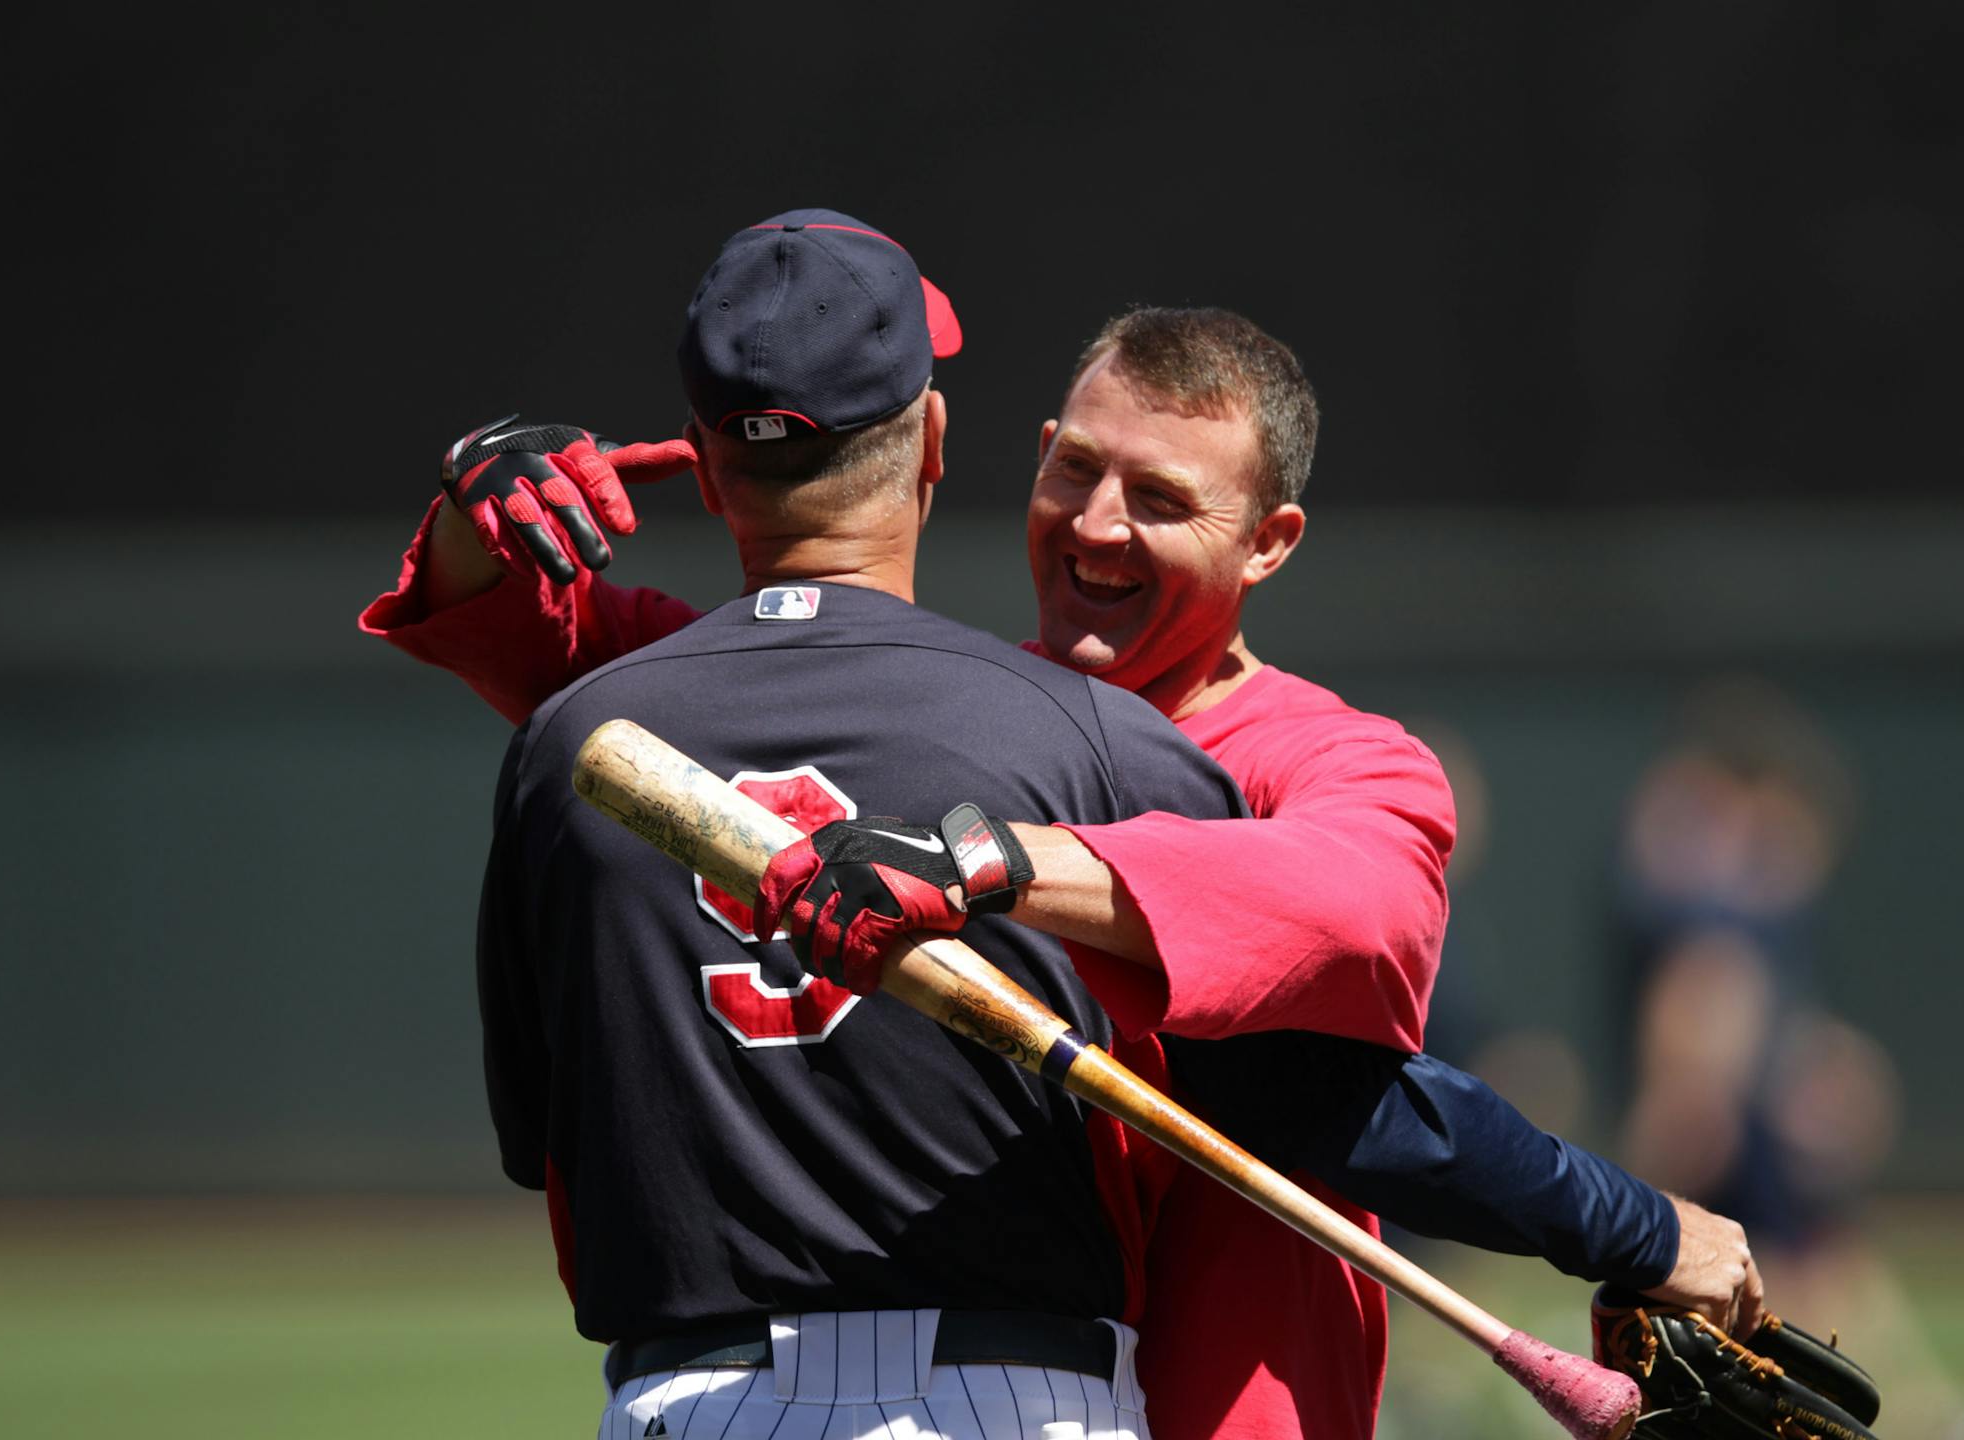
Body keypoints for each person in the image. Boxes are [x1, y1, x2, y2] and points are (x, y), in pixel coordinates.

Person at [367, 295, 1762, 1438]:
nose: (1097, 523)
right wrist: (500, 492)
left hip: (1225, 1411)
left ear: (1269, 544)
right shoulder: (956, 721)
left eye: (1161, 498)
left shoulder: (1337, 759)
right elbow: (548, 644)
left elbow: (1353, 923)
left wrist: (991, 859)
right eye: (1075, 469)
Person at [476, 208, 1251, 1439]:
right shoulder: (1103, 744)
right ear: (932, 441)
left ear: (703, 456)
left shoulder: (566, 745)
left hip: (697, 1399)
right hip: (1019, 1399)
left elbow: (543, 1145)